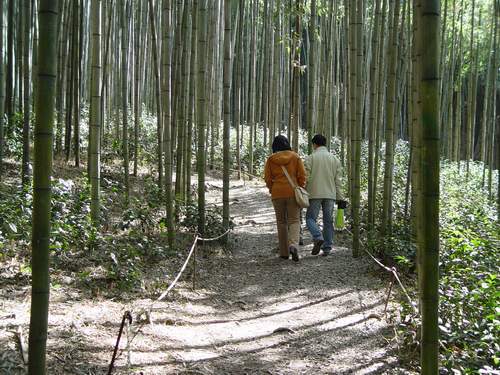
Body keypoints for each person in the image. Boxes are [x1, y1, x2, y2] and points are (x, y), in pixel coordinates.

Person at [264, 135, 306, 262]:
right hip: (292, 192)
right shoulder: (295, 156)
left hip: (277, 192)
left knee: (281, 222)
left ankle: (284, 253)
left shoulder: (271, 159)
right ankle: (293, 244)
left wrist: (272, 189)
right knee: (294, 220)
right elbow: (302, 175)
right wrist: (299, 186)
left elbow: (267, 178)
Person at [305, 134, 344, 256]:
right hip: (330, 194)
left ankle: (317, 236)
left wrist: (303, 191)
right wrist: (340, 197)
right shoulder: (334, 159)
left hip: (314, 193)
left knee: (310, 218)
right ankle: (327, 247)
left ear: (314, 144)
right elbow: (338, 181)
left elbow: (306, 178)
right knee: (328, 221)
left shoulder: (310, 158)